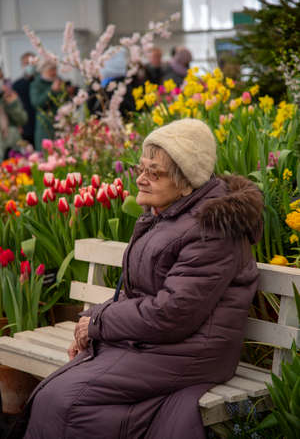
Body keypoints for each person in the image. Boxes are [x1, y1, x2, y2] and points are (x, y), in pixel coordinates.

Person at [16, 118, 263, 439]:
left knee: (66, 400)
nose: (141, 179)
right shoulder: (168, 214)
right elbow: (139, 292)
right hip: (162, 343)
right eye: (140, 168)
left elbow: (173, 313)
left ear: (187, 181)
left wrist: (98, 324)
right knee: (60, 394)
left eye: (154, 172)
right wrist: (92, 318)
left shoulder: (211, 230)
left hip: (193, 353)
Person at [29, 61, 64, 151]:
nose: (54, 72)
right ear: (43, 71)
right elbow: (37, 103)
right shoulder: (36, 84)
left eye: (55, 69)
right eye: (51, 70)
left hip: (61, 123)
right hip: (45, 126)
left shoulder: (60, 82)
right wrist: (51, 91)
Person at [0, 66, 28, 162]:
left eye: (1, 78)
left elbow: (22, 119)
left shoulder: (9, 95)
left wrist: (12, 104)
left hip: (12, 148)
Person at [12, 52, 36, 146]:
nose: (29, 66)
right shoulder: (16, 85)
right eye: (26, 63)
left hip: (40, 126)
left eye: (31, 63)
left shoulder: (41, 83)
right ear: (22, 65)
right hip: (25, 127)